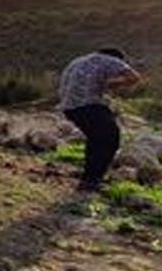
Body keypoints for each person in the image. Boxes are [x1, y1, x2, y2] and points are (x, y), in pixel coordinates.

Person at [59, 48, 143, 192]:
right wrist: (114, 83)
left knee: (96, 140)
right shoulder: (112, 61)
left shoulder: (78, 60)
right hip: (88, 105)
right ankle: (92, 181)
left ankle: (89, 177)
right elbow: (134, 77)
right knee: (110, 138)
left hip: (69, 107)